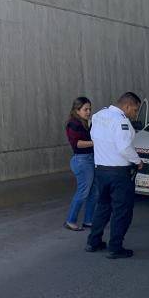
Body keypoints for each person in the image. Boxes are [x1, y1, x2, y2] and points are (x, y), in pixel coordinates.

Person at [85, 92, 143, 259]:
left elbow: (94, 137)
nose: (135, 114)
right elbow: (124, 147)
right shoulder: (121, 120)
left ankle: (93, 242)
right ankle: (115, 247)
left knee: (102, 206)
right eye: (135, 109)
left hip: (101, 170)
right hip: (119, 173)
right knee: (121, 211)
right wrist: (137, 161)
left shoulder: (98, 115)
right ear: (127, 106)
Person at [63, 97, 97, 231]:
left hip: (89, 159)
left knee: (94, 191)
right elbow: (77, 144)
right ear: (77, 110)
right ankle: (70, 221)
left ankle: (88, 220)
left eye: (89, 109)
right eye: (85, 109)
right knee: (83, 191)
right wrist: (96, 142)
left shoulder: (84, 122)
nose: (88, 112)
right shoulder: (73, 124)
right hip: (82, 160)